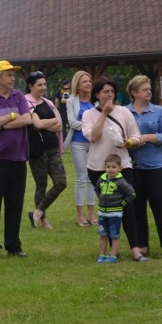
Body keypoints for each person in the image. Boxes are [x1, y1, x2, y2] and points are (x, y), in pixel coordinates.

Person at [81, 76, 147, 262]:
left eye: (112, 91)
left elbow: (136, 136)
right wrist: (103, 114)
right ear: (96, 94)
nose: (109, 95)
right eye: (105, 91)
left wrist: (129, 142)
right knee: (108, 208)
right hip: (97, 168)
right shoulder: (88, 114)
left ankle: (135, 250)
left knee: (128, 207)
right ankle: (112, 252)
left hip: (122, 166)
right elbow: (93, 137)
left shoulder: (124, 112)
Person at [0, 60, 32, 259]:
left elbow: (27, 119)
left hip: (18, 158)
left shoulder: (19, 95)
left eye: (13, 75)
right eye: (9, 75)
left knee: (15, 203)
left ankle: (13, 245)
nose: (13, 78)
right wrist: (11, 116)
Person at [127, 75, 162, 257]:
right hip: (133, 166)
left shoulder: (158, 111)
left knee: (159, 202)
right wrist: (131, 142)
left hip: (155, 165)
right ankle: (142, 244)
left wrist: (147, 138)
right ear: (134, 92)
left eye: (150, 89)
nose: (149, 91)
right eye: (145, 89)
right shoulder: (125, 111)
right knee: (137, 205)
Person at [24, 71, 67, 229]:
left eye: (44, 84)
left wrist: (45, 123)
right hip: (37, 150)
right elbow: (37, 124)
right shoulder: (26, 102)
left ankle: (37, 212)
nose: (43, 88)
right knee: (41, 184)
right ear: (31, 86)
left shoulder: (48, 103)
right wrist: (49, 122)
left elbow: (59, 125)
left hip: (53, 146)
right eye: (39, 85)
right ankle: (43, 220)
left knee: (61, 182)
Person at [64, 70, 98, 226]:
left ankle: (91, 214)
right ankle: (79, 216)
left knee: (92, 178)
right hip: (78, 143)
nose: (89, 84)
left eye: (89, 81)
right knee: (81, 177)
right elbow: (72, 123)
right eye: (85, 81)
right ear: (77, 85)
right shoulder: (72, 101)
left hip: (94, 143)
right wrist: (90, 126)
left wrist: (91, 127)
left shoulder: (96, 102)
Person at [94, 154, 136, 263]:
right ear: (105, 168)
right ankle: (102, 255)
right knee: (103, 235)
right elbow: (97, 189)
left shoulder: (121, 181)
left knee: (114, 235)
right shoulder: (102, 179)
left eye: (113, 167)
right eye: (108, 167)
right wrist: (102, 199)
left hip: (115, 214)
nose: (110, 169)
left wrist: (122, 203)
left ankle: (113, 255)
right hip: (102, 213)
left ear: (119, 168)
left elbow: (131, 193)